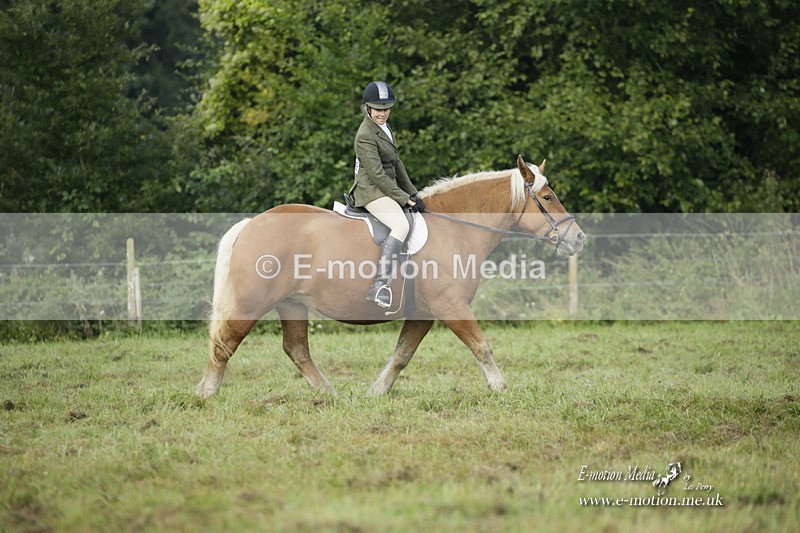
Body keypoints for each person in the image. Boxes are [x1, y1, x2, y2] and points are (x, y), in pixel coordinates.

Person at [351, 80, 424, 308]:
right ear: (368, 108)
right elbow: (378, 175)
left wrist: (413, 192)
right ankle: (379, 286)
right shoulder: (365, 135)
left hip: (385, 186)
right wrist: (404, 198)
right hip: (370, 190)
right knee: (401, 225)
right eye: (378, 108)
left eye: (386, 108)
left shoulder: (384, 127)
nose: (383, 113)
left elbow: (396, 163)